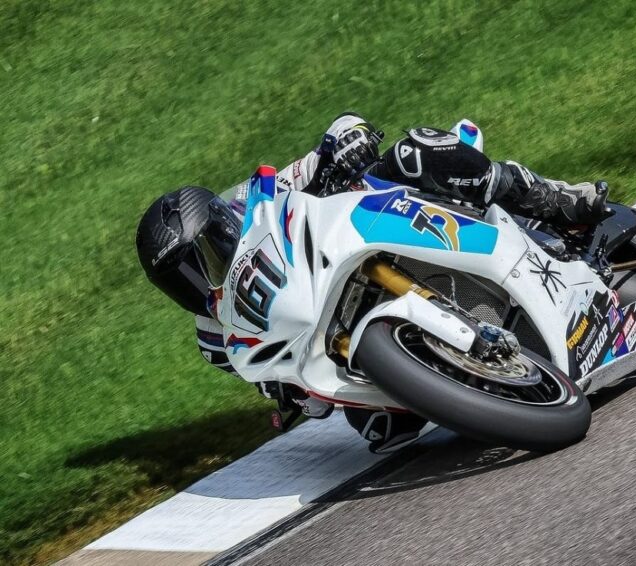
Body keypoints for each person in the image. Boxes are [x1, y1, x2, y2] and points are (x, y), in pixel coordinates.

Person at [135, 113, 605, 452]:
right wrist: (288, 394)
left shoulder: (265, 200)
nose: (197, 282)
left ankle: (555, 200)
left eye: (198, 258)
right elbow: (281, 389)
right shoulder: (215, 338)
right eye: (180, 279)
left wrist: (347, 140)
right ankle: (480, 381)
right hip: (351, 344)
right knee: (381, 430)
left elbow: (339, 132)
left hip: (377, 226)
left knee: (413, 153)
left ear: (219, 224)